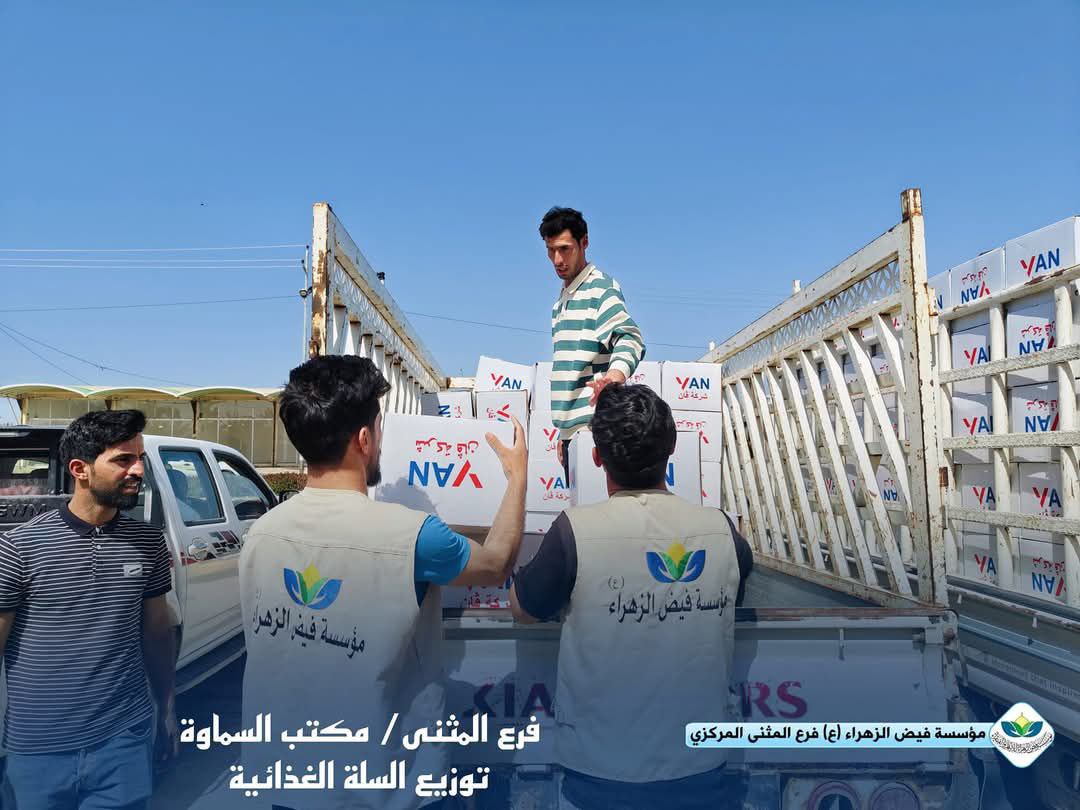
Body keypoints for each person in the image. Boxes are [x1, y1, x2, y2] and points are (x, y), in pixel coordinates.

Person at [239, 355, 528, 810]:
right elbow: (495, 564)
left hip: (288, 784)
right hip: (385, 789)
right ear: (364, 439)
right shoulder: (413, 535)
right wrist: (517, 477)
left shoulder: (260, 535)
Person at [510, 384, 753, 810]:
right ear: (672, 447)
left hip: (599, 772)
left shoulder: (573, 531)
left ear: (596, 457)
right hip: (701, 768)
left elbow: (523, 609)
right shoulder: (723, 533)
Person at [0, 410, 178, 810]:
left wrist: (166, 708)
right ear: (80, 469)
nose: (138, 470)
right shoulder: (19, 548)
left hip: (124, 742)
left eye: (139, 459)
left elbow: (157, 633)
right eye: (123, 459)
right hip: (36, 751)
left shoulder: (148, 542)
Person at [541, 206, 646, 483]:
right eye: (551, 250)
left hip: (595, 431)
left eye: (565, 249)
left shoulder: (601, 289)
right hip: (573, 434)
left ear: (584, 242)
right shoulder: (562, 300)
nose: (557, 259)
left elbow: (629, 337)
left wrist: (614, 377)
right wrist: (564, 433)